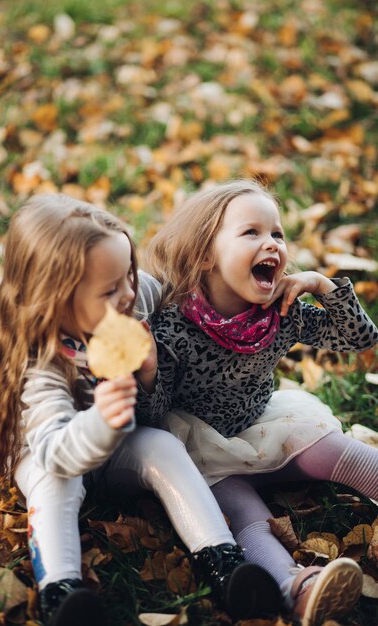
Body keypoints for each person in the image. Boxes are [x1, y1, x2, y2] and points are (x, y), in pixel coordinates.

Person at [0, 193, 282, 626]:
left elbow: (192, 291)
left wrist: (269, 287)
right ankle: (62, 590)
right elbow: (57, 452)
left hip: (119, 448)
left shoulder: (135, 301)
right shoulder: (41, 363)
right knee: (53, 484)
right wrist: (100, 421)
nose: (130, 293)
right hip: (56, 454)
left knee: (164, 445)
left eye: (128, 275)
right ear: (56, 300)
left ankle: (222, 558)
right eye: (111, 289)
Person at [136, 179, 378, 626]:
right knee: (243, 513)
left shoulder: (281, 314)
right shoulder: (173, 329)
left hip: (262, 423)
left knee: (335, 449)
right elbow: (149, 419)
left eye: (278, 234)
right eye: (251, 233)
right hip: (201, 448)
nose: (272, 244)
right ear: (205, 255)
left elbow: (361, 338)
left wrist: (324, 287)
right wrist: (149, 372)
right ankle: (296, 586)